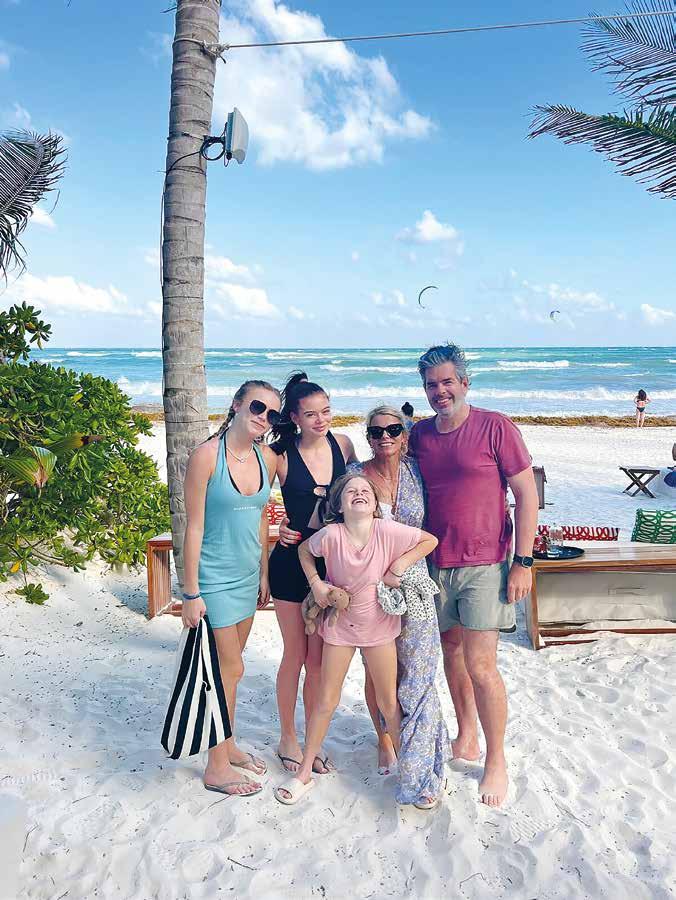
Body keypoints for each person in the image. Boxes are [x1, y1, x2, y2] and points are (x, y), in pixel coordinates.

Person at [409, 343, 538, 808]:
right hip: (434, 563)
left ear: (465, 383)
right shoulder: (419, 435)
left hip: (486, 563)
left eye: (447, 382)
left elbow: (526, 496)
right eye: (431, 385)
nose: (439, 391)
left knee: (482, 666)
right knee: (451, 651)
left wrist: (523, 562)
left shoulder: (495, 426)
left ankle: (496, 760)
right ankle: (466, 735)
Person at [274, 473, 438, 804]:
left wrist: (398, 567)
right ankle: (304, 772)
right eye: (351, 491)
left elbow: (429, 540)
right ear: (338, 505)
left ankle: (411, 773)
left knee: (388, 702)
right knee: (326, 700)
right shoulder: (331, 535)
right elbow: (304, 550)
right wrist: (317, 584)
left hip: (380, 630)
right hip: (340, 629)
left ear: (375, 503)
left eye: (365, 491)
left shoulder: (387, 530)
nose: (359, 493)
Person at [181, 380, 281, 797]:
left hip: (246, 578)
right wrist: (190, 593)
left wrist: (263, 573)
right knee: (230, 669)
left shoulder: (267, 459)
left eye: (272, 413)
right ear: (237, 404)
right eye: (257, 406)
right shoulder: (206, 456)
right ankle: (216, 768)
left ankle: (227, 744)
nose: (263, 417)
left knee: (229, 672)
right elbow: (193, 527)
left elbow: (260, 519)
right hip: (213, 580)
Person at [348, 405, 450, 809]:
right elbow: (332, 519)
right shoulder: (356, 475)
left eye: (393, 430)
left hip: (415, 582)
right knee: (378, 670)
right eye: (376, 432)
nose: (385, 437)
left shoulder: (417, 473)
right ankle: (385, 739)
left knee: (420, 673)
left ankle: (423, 767)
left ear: (405, 435)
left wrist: (402, 565)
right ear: (368, 437)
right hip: (369, 584)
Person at [268, 373, 357, 776]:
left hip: (332, 565)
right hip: (290, 562)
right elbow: (254, 502)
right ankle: (287, 737)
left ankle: (312, 741)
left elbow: (359, 496)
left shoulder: (344, 445)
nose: (321, 420)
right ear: (295, 418)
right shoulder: (280, 455)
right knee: (295, 655)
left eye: (326, 411)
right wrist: (277, 529)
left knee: (318, 662)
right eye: (311, 414)